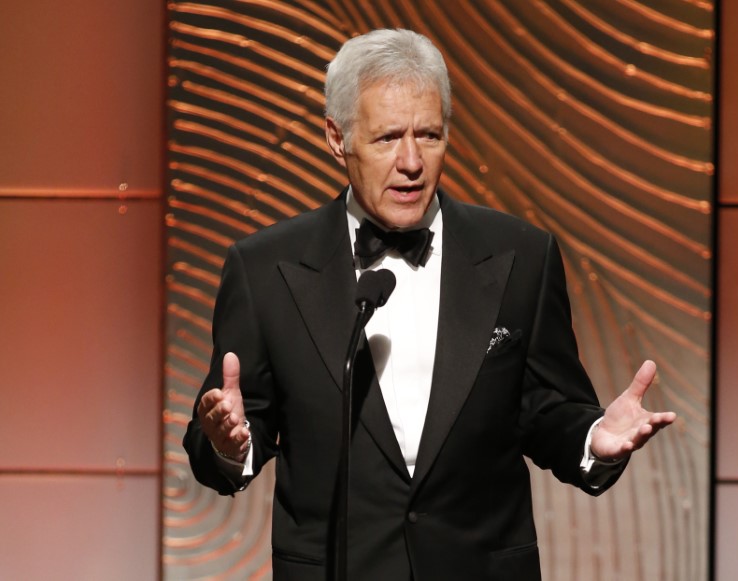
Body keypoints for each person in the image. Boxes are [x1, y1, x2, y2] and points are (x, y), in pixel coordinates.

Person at [183, 28, 676, 581]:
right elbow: (228, 431)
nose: (412, 161)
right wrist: (227, 444)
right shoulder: (264, 269)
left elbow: (548, 409)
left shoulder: (521, 256)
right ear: (336, 138)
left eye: (429, 135)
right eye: (388, 137)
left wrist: (594, 439)